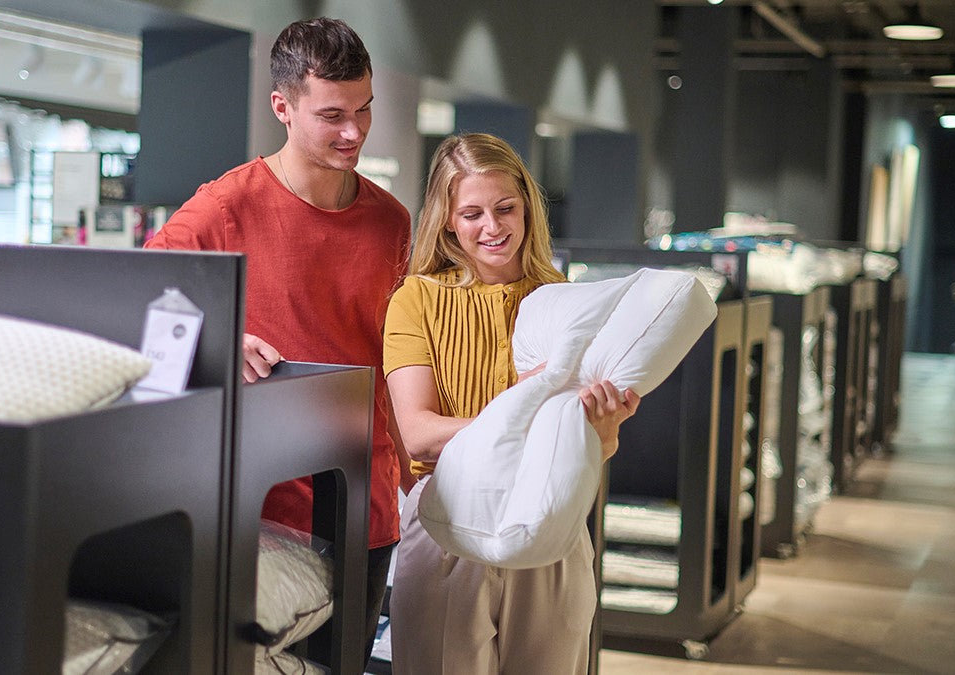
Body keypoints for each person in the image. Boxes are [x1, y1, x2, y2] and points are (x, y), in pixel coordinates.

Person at [143, 17, 411, 665]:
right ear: (282, 107)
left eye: (364, 109)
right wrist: (216, 337)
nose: (354, 131)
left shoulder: (392, 222)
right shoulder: (225, 206)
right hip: (257, 506)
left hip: (364, 505)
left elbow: (398, 356)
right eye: (332, 115)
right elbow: (143, 296)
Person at [382, 132, 641, 674]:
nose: (493, 227)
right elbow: (418, 433)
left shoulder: (566, 301)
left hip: (550, 523)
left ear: (527, 207)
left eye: (506, 208)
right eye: (472, 213)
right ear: (447, 219)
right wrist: (539, 423)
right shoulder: (417, 300)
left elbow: (599, 446)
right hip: (447, 517)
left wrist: (605, 424)